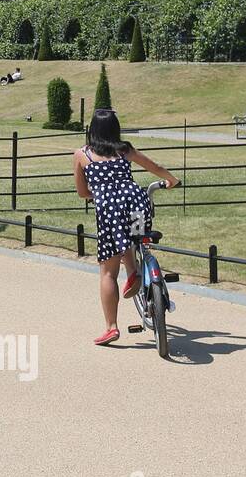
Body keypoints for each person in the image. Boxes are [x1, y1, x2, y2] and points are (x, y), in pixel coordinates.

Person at [74, 110, 180, 347]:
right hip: (137, 202)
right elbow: (154, 166)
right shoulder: (125, 149)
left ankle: (111, 327)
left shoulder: (82, 154)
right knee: (135, 237)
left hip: (109, 210)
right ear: (115, 129)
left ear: (92, 129)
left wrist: (101, 194)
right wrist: (171, 180)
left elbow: (82, 192)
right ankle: (134, 271)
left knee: (108, 272)